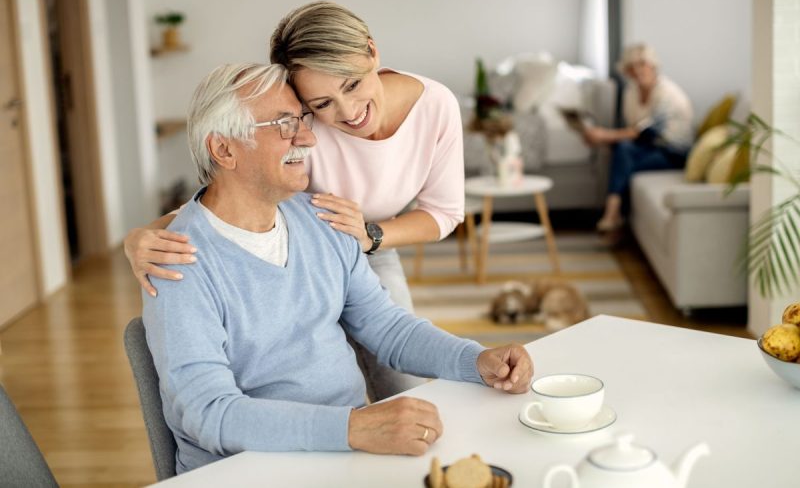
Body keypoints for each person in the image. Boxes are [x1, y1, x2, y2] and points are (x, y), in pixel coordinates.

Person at [145, 62, 533, 474]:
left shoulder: (323, 219)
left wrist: (476, 361)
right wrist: (352, 427)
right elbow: (209, 413)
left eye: (302, 120)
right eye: (283, 124)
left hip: (346, 454)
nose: (308, 137)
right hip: (246, 470)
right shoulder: (175, 261)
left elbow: (389, 330)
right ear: (223, 149)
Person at [125, 1, 466, 401]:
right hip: (300, 249)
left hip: (367, 247)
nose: (348, 112)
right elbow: (238, 190)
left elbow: (444, 212)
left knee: (402, 386)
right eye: (320, 105)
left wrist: (370, 236)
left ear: (372, 51)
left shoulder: (436, 104)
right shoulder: (304, 125)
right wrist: (142, 237)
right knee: (307, 382)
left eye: (352, 84)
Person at [583, 43, 694, 232]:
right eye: (632, 67)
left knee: (623, 153)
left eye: (642, 64)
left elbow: (642, 131)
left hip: (674, 153)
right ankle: (615, 216)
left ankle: (613, 213)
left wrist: (603, 135)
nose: (637, 70)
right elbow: (633, 130)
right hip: (651, 146)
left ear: (653, 66)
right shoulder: (631, 92)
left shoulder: (667, 94)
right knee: (621, 150)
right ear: (626, 70)